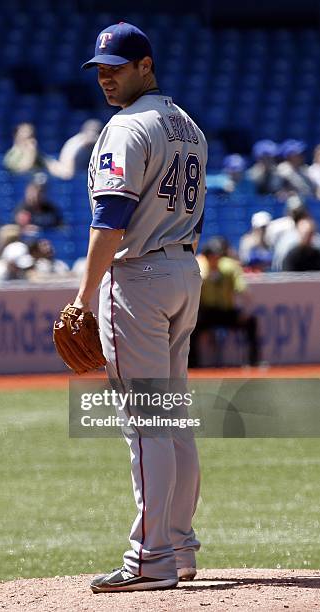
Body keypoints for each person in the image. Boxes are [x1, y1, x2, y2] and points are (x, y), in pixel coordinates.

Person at [72, 22, 207, 592]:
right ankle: (177, 546)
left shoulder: (128, 127)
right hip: (182, 268)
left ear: (145, 66)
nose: (106, 76)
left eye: (117, 67)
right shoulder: (189, 126)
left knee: (146, 421)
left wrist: (83, 297)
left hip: (140, 276)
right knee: (171, 416)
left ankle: (150, 558)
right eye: (100, 67)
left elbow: (111, 217)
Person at [189, 238, 259, 367]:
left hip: (226, 311)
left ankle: (253, 362)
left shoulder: (230, 267)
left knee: (251, 322)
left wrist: (246, 311)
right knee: (189, 326)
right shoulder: (198, 266)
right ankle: (193, 365)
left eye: (217, 256)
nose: (214, 260)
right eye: (210, 256)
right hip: (206, 312)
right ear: (206, 257)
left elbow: (243, 290)